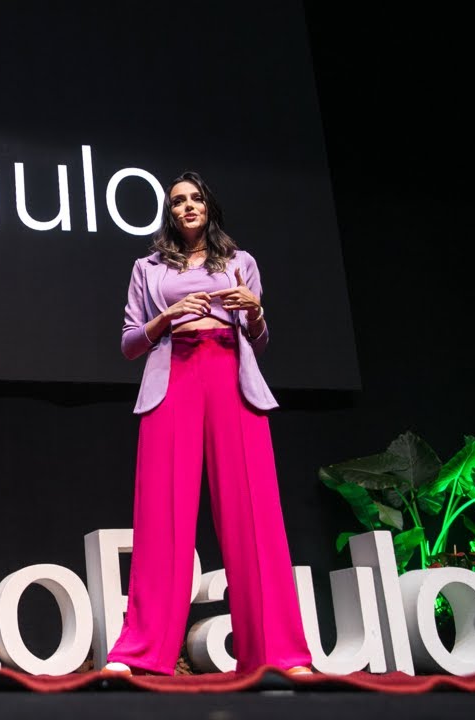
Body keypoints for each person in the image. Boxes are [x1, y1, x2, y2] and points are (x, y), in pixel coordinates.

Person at [101, 171, 313, 677]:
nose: (187, 206)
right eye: (178, 201)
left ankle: (279, 654)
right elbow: (131, 343)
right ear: (169, 213)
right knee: (161, 516)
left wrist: (256, 313)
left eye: (196, 198)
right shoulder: (147, 268)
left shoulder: (240, 263)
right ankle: (141, 653)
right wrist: (167, 316)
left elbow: (257, 340)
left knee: (254, 515)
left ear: (209, 208)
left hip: (229, 377)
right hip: (174, 376)